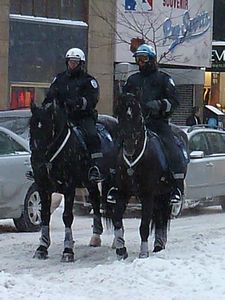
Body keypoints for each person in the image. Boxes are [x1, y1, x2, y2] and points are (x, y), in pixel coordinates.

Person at [108, 43, 185, 204]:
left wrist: (160, 105)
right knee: (115, 148)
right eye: (138, 59)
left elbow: (174, 101)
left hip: (157, 123)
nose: (140, 62)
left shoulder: (164, 79)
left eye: (143, 59)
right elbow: (123, 100)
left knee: (173, 149)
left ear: (151, 59)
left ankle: (176, 187)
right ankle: (114, 185)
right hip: (134, 125)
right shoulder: (132, 79)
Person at [42, 47, 103, 182]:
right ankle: (40, 165)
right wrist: (47, 106)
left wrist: (77, 103)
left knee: (92, 135)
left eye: (75, 62)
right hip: (62, 117)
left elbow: (93, 99)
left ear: (81, 64)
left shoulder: (88, 80)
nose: (72, 65)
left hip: (82, 117)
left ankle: (95, 167)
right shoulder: (59, 78)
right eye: (70, 62)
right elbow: (51, 95)